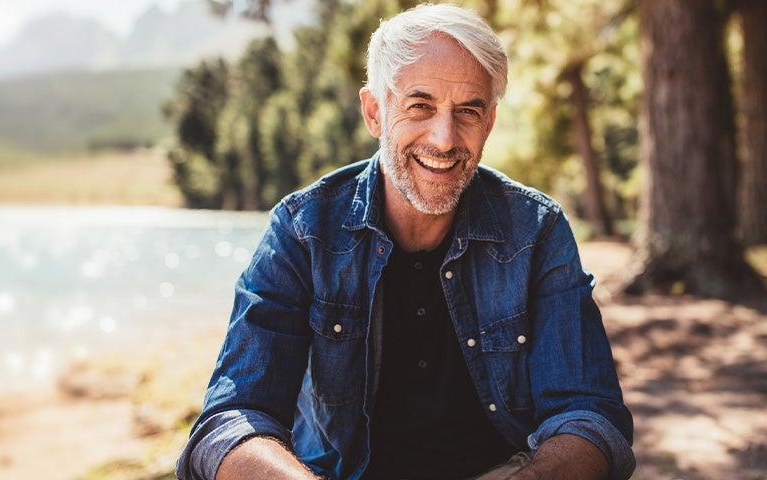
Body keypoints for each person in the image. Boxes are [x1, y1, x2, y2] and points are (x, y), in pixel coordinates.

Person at [175, 4, 634, 480]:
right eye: (420, 106)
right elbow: (230, 421)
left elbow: (589, 415)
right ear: (375, 112)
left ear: (490, 122)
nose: (444, 138)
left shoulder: (536, 230)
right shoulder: (302, 230)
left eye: (468, 111)